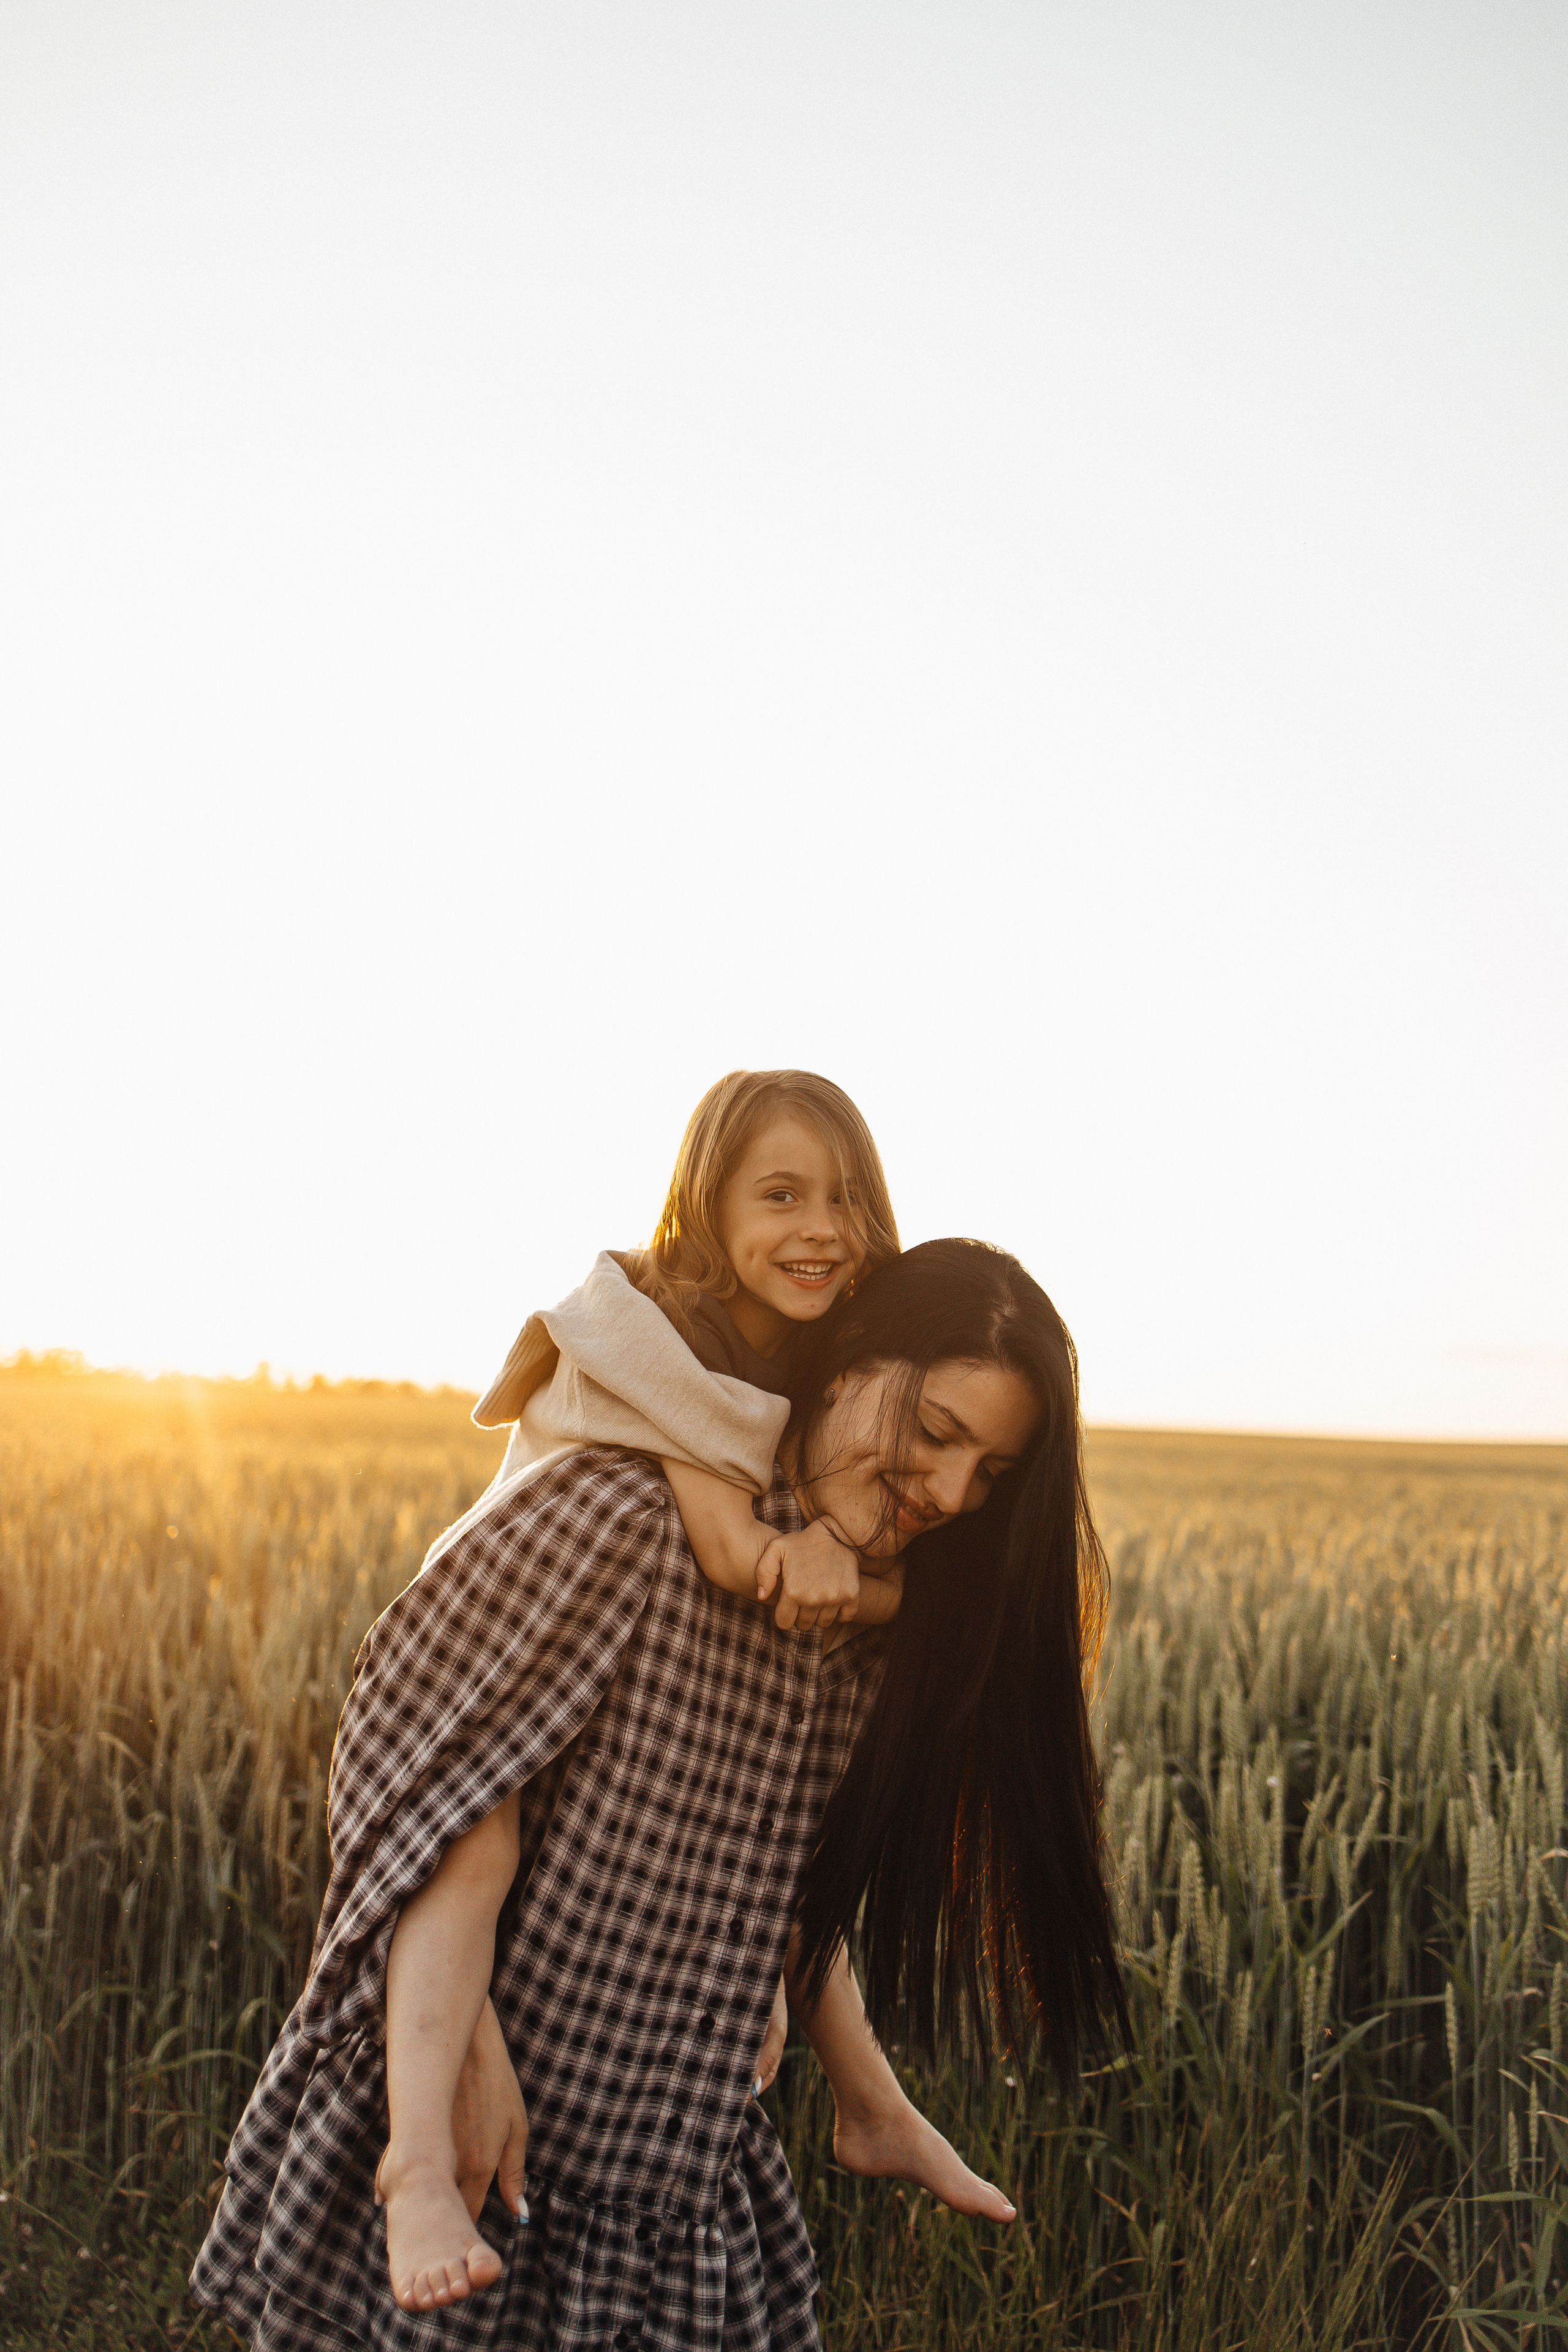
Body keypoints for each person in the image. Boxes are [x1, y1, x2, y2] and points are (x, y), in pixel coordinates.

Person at [191, 1239, 1129, 2352]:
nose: (950, 1492)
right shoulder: (629, 1521)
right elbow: (407, 1754)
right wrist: (465, 2037)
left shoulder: (882, 1629)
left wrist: (863, 2085)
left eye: (992, 1475)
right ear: (850, 1359)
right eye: (935, 1434)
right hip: (483, 2142)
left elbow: (770, 1875)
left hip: (670, 2174)